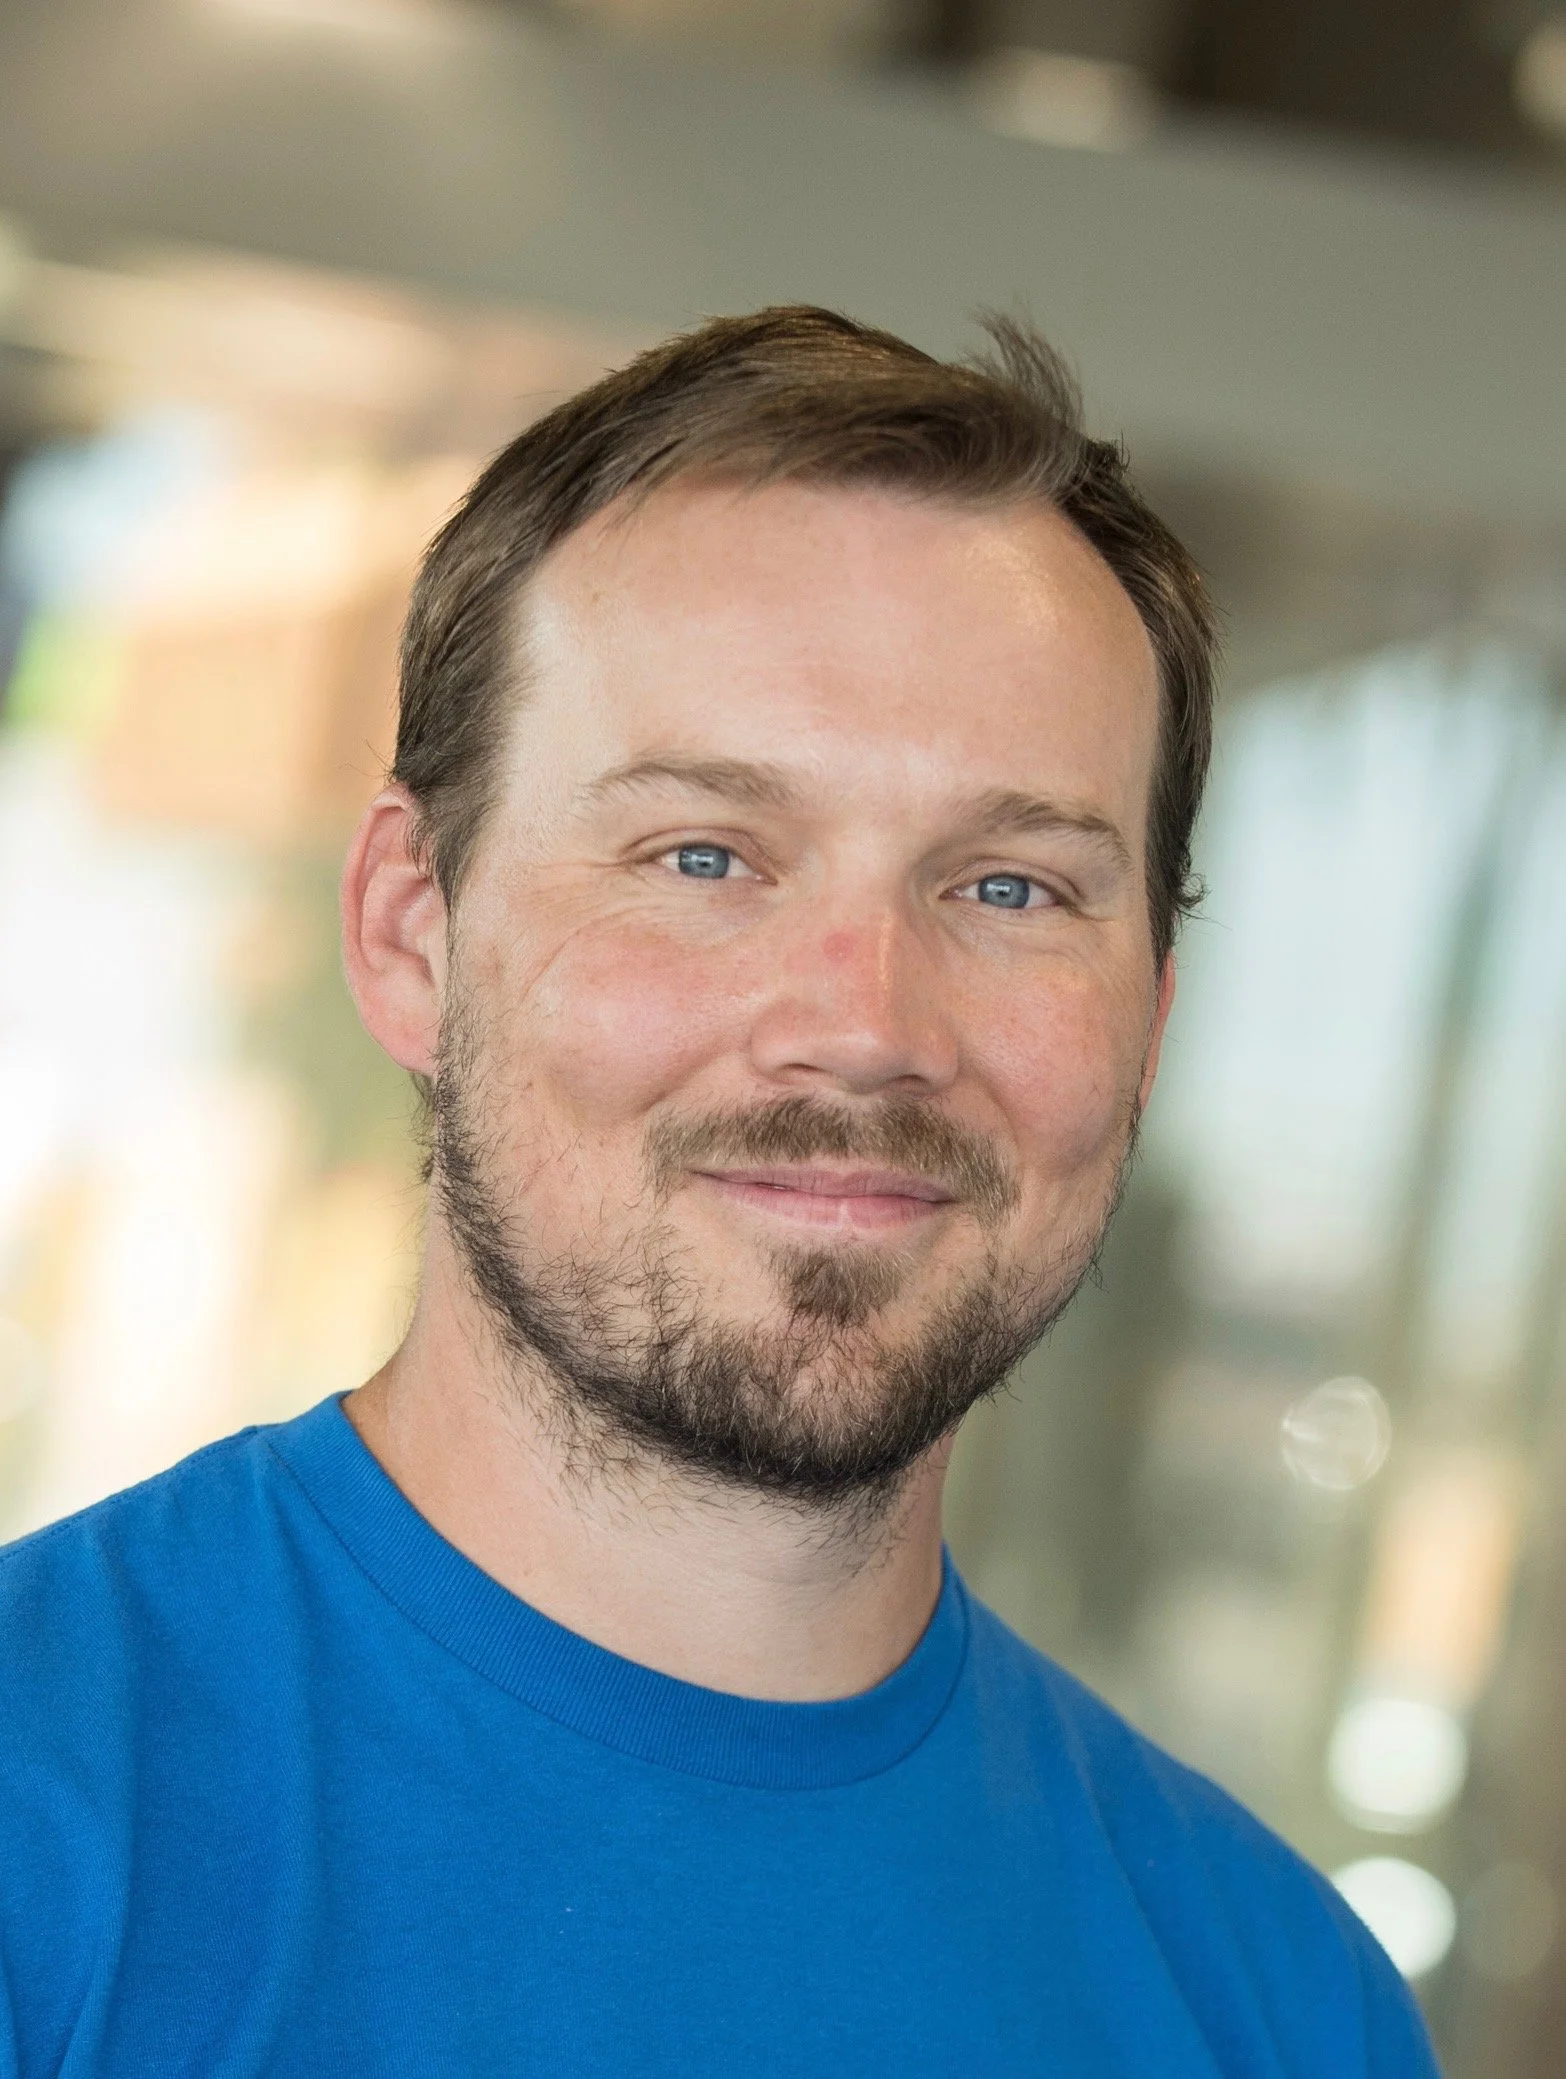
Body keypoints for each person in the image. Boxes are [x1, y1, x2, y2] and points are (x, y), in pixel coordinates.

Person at [0, 308, 1440, 2077]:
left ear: (1146, 1019)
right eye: (703, 855)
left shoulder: (1281, 2008)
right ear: (407, 927)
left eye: (1008, 889)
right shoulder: (44, 1824)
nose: (861, 1024)